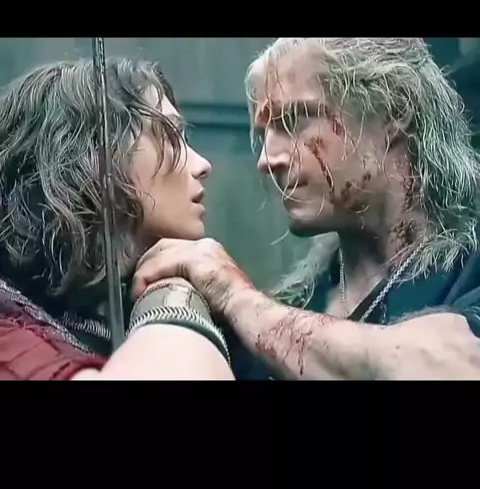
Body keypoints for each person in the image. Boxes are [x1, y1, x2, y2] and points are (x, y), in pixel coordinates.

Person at [132, 37, 480, 380]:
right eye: (264, 134)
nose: (268, 159)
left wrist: (234, 296)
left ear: (394, 110)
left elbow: (454, 367)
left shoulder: (470, 271)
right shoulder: (286, 309)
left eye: (295, 120)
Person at [0, 57, 233, 380]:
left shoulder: (98, 316)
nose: (202, 165)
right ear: (93, 156)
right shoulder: (8, 332)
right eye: (170, 135)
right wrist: (172, 293)